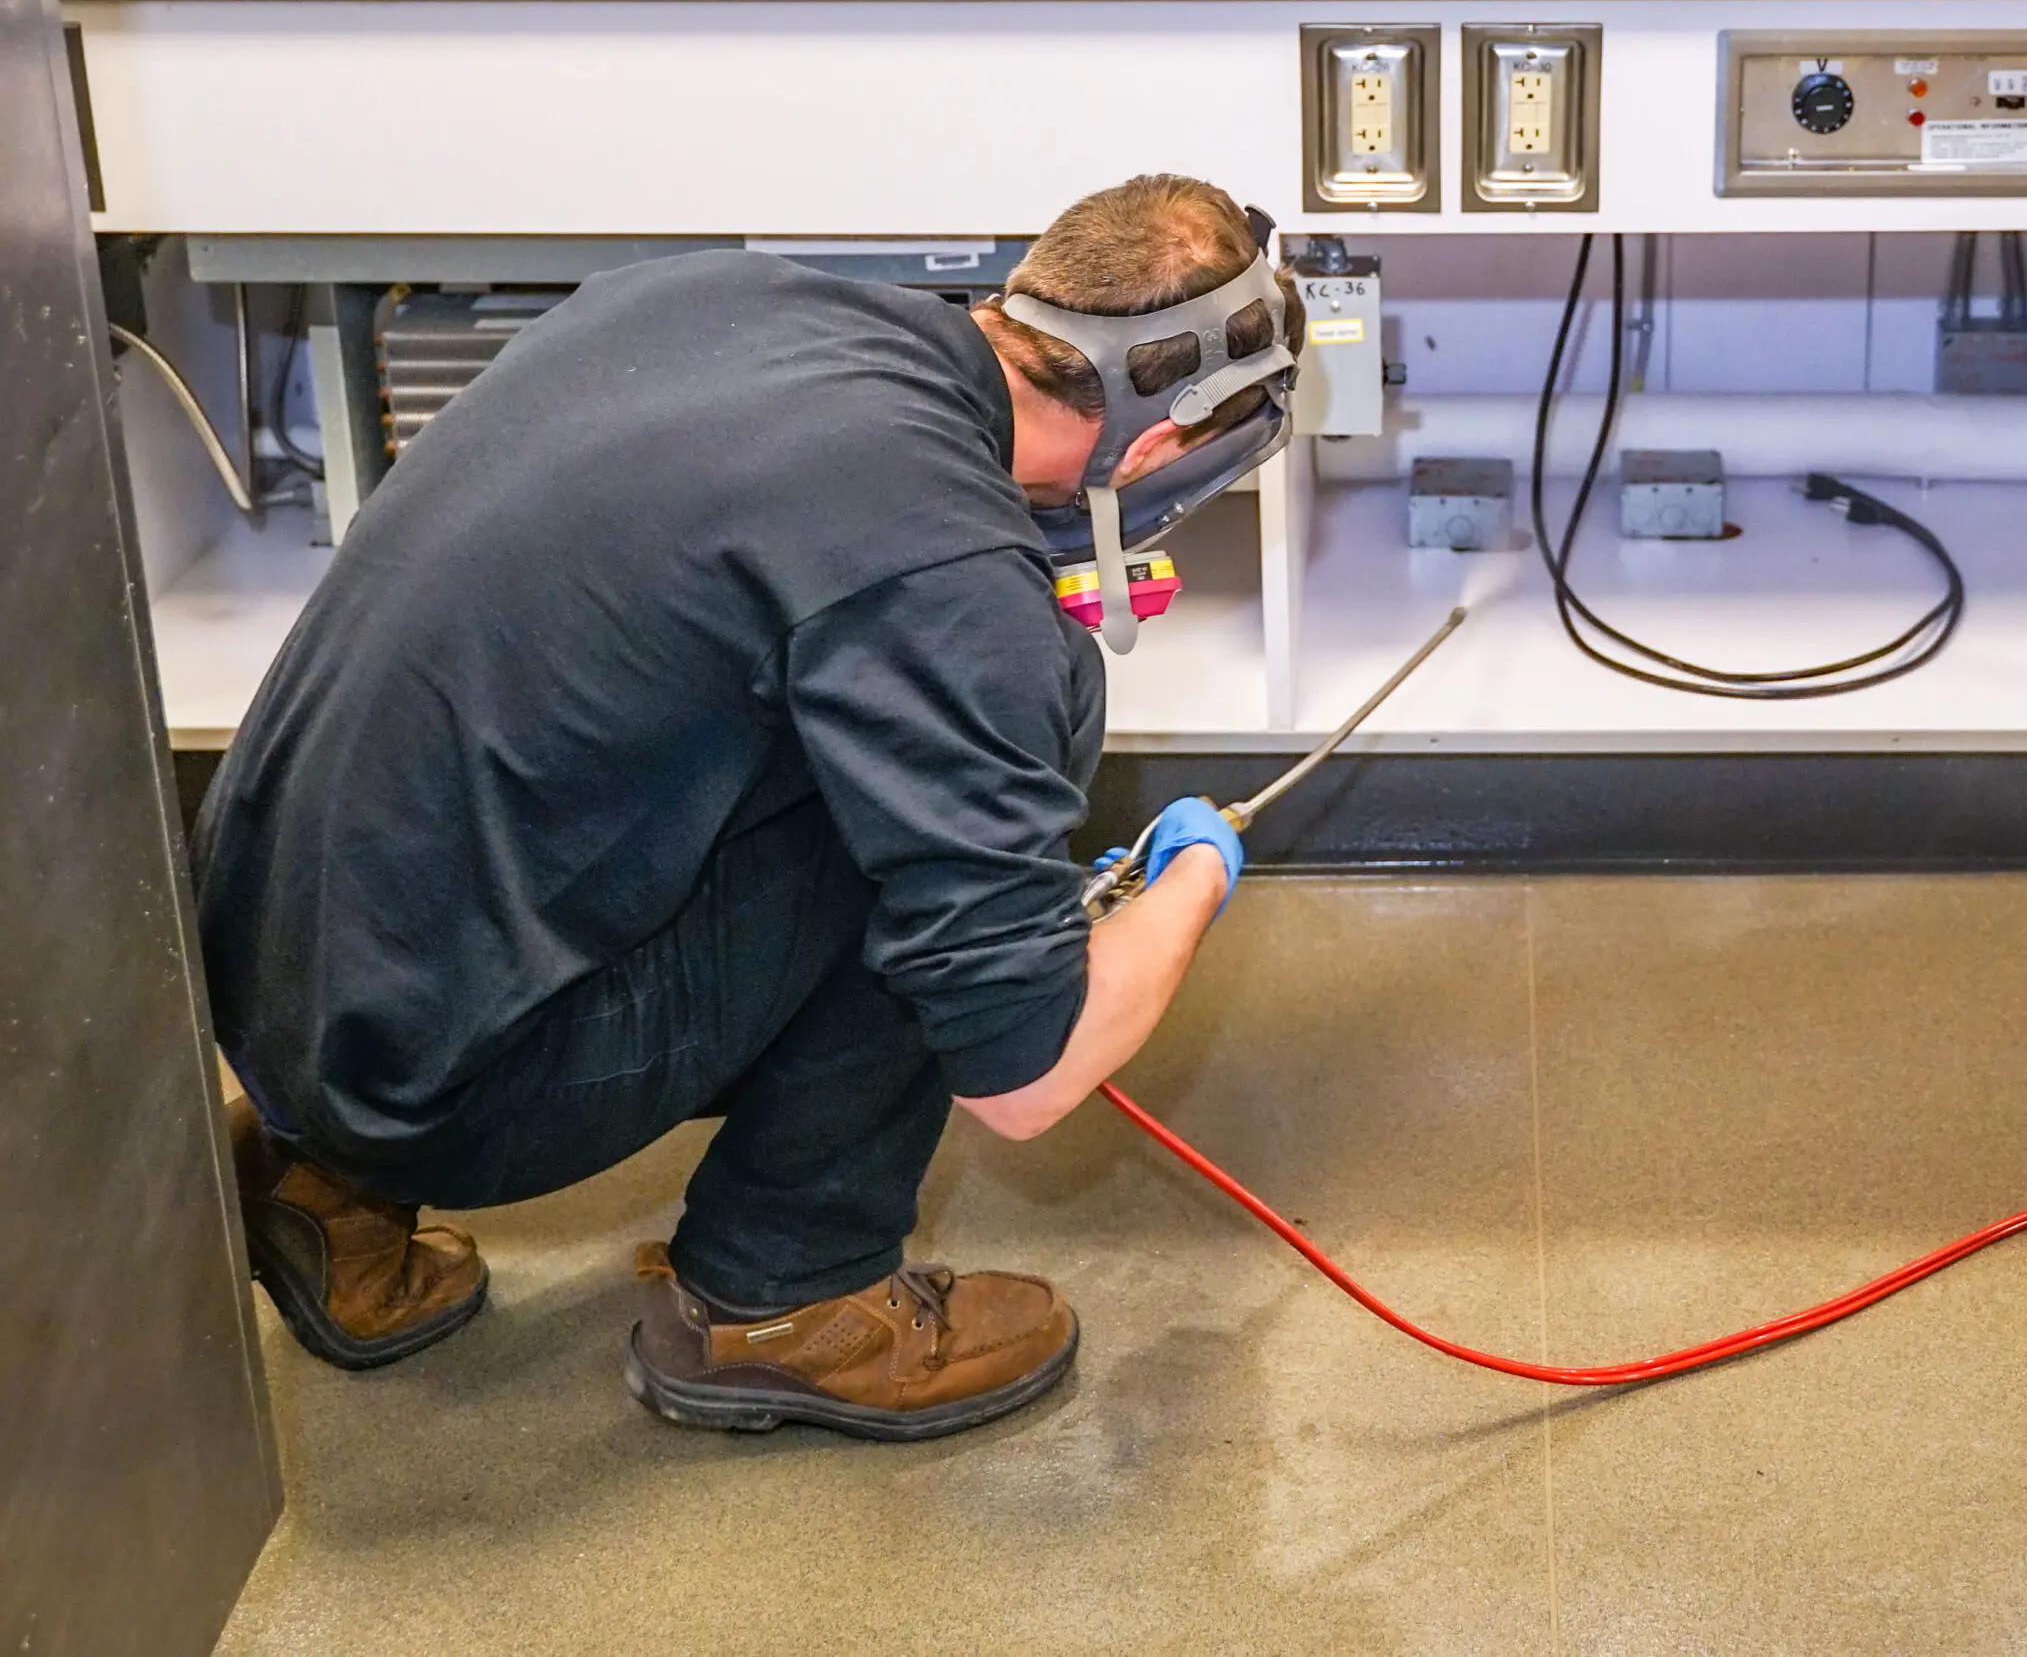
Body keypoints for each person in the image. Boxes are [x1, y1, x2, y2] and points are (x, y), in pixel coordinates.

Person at [194, 175, 1304, 1441]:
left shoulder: (713, 294)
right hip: (431, 1085)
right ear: (1155, 445)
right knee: (981, 776)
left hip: (263, 967)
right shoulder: (947, 577)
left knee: (880, 738)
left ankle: (319, 1185)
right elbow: (1026, 1079)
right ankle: (788, 1301)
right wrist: (1194, 875)